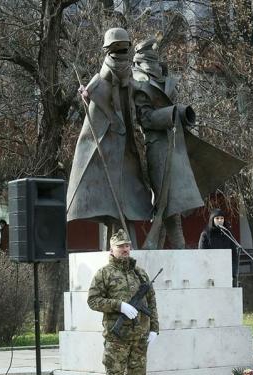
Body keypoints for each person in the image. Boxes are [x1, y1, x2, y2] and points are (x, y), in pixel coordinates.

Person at [67, 28, 152, 242]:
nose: (120, 55)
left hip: (129, 151)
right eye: (116, 50)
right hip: (108, 153)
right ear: (107, 52)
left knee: (130, 200)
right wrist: (89, 98)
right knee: (111, 205)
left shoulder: (134, 81)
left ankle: (125, 244)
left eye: (123, 49)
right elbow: (92, 129)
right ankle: (115, 245)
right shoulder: (98, 85)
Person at [133, 38, 204, 248]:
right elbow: (144, 119)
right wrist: (172, 113)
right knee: (166, 203)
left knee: (170, 204)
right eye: (151, 53)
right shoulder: (138, 80)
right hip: (156, 146)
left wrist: (180, 116)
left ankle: (156, 249)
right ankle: (176, 251)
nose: (155, 57)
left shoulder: (165, 78)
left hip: (176, 144)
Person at [87, 229, 159, 375]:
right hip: (116, 339)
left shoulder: (140, 273)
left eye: (127, 245)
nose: (125, 249)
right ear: (112, 250)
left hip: (139, 339)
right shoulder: (103, 274)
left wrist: (154, 328)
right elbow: (93, 300)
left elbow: (152, 302)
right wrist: (118, 306)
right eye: (120, 246)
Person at [198, 208, 238, 286]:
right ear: (212, 220)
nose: (220, 220)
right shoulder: (205, 234)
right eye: (217, 218)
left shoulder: (228, 233)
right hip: (210, 273)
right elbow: (201, 254)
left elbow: (234, 254)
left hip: (226, 272)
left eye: (222, 218)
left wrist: (233, 271)